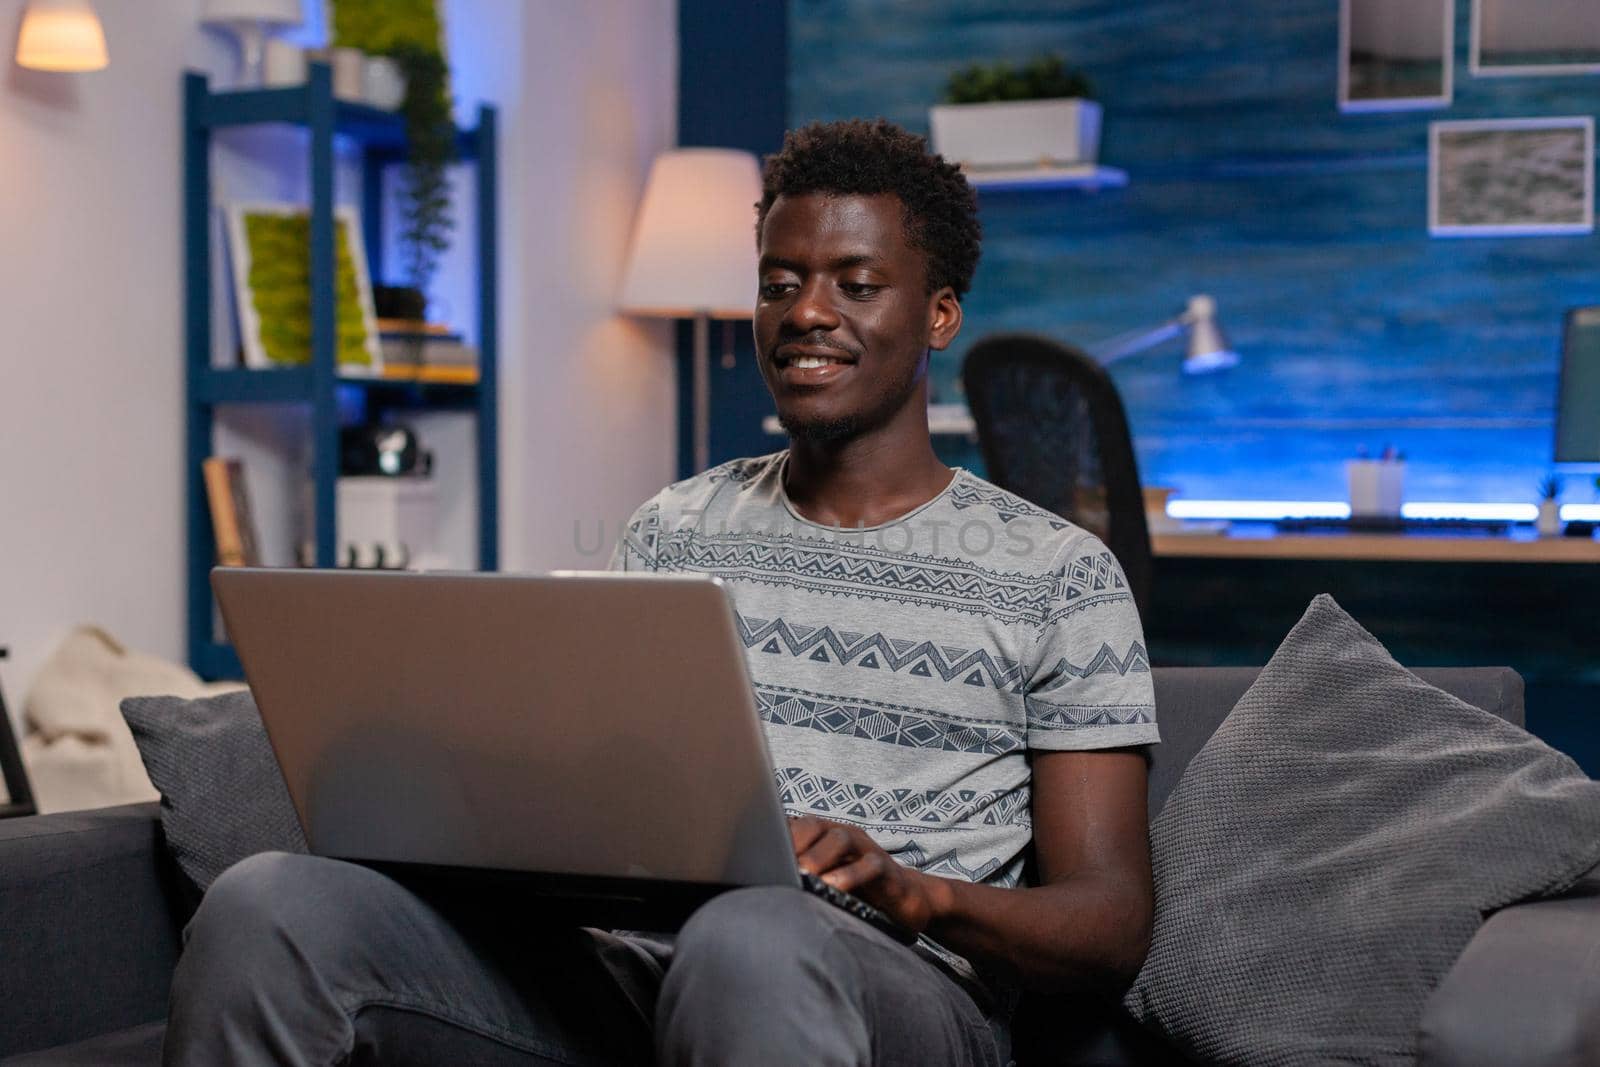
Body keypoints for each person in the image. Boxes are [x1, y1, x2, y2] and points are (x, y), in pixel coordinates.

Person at [164, 119, 1158, 1067]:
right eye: (780, 282)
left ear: (940, 311)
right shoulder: (670, 530)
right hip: (638, 969)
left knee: (753, 934)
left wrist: (914, 892)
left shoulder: (1054, 573)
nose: (807, 311)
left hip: (900, 991)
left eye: (855, 284)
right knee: (272, 902)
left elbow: (1107, 921)